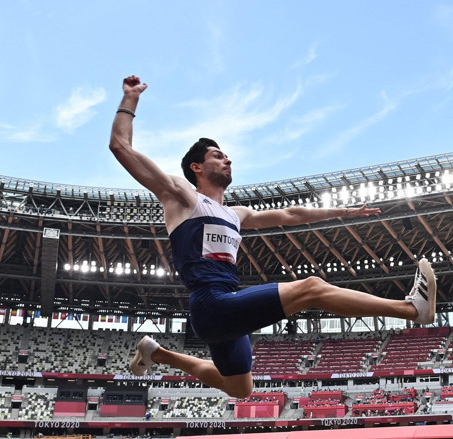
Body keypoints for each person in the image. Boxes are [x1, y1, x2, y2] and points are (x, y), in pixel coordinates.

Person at [109, 75, 436, 398]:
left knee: (240, 387)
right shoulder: (181, 197)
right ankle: (411, 310)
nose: (228, 159)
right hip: (211, 305)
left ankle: (159, 354)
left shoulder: (237, 215)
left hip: (227, 305)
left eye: (226, 156)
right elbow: (120, 147)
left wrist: (341, 212)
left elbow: (292, 214)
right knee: (312, 288)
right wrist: (131, 98)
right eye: (218, 156)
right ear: (196, 167)